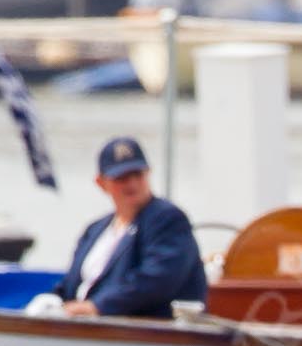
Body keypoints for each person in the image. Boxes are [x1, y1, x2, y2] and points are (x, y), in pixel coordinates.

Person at [44, 137, 208, 319]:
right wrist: (52, 301)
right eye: (121, 177)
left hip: (146, 334)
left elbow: (157, 279)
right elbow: (71, 284)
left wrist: (97, 306)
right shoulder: (95, 230)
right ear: (101, 182)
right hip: (86, 331)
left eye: (137, 174)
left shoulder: (167, 219)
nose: (132, 184)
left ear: (148, 173)